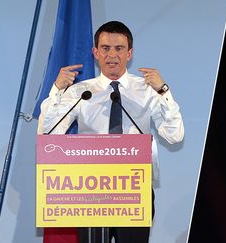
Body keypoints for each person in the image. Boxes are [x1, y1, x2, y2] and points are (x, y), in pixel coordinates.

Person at [37, 20, 184, 243]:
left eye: (119, 48)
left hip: (134, 189)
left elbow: (174, 136)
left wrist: (164, 92)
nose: (112, 55)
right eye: (105, 48)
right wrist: (56, 90)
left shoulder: (147, 90)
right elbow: (48, 137)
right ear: (95, 52)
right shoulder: (80, 91)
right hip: (91, 189)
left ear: (130, 53)